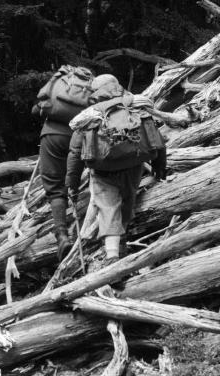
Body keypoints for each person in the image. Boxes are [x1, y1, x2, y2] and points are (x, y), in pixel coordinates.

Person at [65, 74, 166, 265]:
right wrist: (160, 164)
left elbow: (74, 152)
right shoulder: (134, 106)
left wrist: (71, 184)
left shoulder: (90, 115)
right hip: (133, 165)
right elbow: (155, 136)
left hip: (103, 171)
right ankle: (123, 244)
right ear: (117, 86)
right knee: (127, 201)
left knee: (108, 207)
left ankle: (112, 256)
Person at [32, 66, 93, 262]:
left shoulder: (59, 82)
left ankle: (62, 235)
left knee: (55, 188)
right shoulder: (94, 86)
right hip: (81, 136)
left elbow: (38, 105)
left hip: (52, 136)